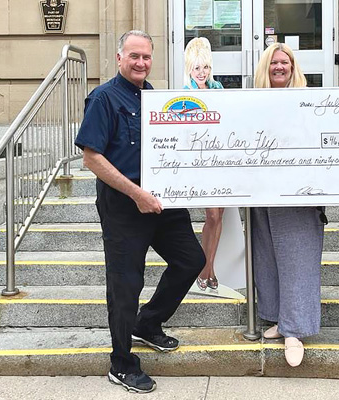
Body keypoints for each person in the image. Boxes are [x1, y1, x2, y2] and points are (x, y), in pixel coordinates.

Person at [74, 30, 205, 393]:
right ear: (119, 58)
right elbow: (91, 158)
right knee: (125, 284)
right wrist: (136, 194)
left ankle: (147, 324)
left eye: (146, 57)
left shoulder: (156, 99)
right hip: (124, 207)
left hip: (163, 204)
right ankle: (121, 362)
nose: (141, 63)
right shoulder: (103, 98)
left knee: (191, 260)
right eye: (134, 56)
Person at [251, 42, 325, 368]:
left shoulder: (311, 101)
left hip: (299, 191)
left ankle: (295, 330)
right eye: (274, 63)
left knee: (298, 256)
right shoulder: (251, 102)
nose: (280, 67)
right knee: (267, 256)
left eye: (286, 63)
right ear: (265, 69)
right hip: (262, 191)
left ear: (294, 67)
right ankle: (280, 320)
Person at [182, 37, 225, 291]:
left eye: (206, 67)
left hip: (219, 158)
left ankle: (210, 268)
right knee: (210, 214)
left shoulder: (217, 88)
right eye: (197, 68)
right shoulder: (185, 93)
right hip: (198, 162)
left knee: (218, 216)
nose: (202, 72)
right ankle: (204, 268)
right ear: (189, 68)